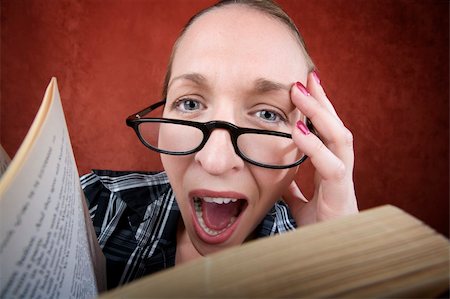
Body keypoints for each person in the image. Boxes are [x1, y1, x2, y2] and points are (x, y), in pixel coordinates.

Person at [81, 0, 358, 290]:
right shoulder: (94, 203)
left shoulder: (318, 267)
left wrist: (340, 268)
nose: (215, 161)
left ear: (306, 143)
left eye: (267, 114)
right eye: (189, 103)